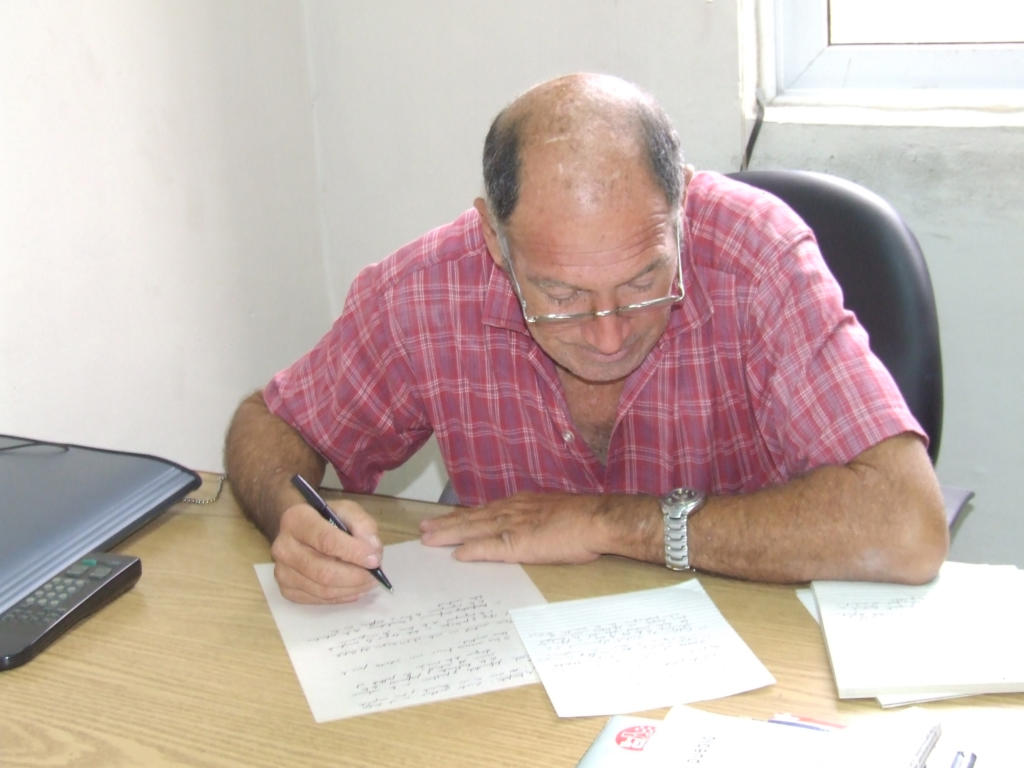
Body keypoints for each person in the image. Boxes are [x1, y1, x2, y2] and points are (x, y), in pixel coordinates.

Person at [224, 73, 948, 604]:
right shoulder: (427, 287)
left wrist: (615, 524)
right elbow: (271, 424)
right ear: (494, 242)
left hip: (748, 657)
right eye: (562, 294)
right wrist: (293, 516)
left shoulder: (758, 258)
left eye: (642, 280)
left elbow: (907, 524)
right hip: (519, 673)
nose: (608, 337)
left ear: (683, 208)